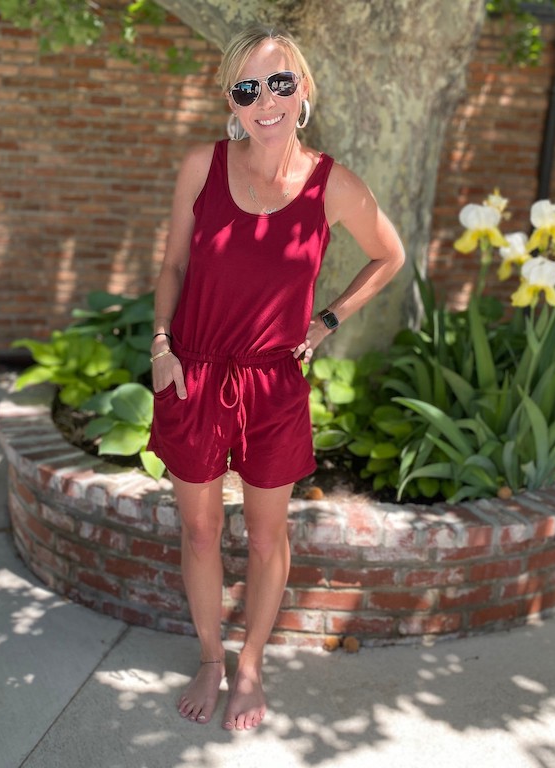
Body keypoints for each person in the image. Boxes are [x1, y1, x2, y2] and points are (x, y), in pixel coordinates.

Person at [147, 23, 405, 731]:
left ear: (304, 91)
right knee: (199, 533)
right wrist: (161, 344)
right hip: (194, 371)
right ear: (232, 101)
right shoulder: (202, 165)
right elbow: (171, 266)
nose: (267, 100)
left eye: (281, 83)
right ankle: (210, 655)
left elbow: (390, 256)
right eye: (248, 88)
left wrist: (327, 321)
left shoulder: (333, 185)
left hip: (273, 384)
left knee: (266, 538)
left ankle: (252, 664)